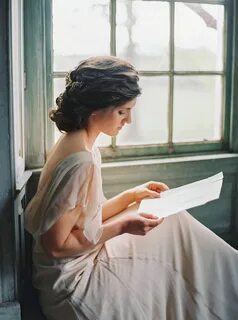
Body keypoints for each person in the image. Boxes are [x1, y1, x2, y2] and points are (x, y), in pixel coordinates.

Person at [24, 56, 238, 320]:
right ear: (96, 109)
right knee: (170, 229)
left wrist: (131, 195)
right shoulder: (79, 160)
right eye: (122, 111)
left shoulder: (78, 141)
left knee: (169, 217)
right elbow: (55, 246)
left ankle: (226, 284)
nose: (129, 120)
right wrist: (123, 226)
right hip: (73, 282)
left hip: (78, 259)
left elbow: (82, 219)